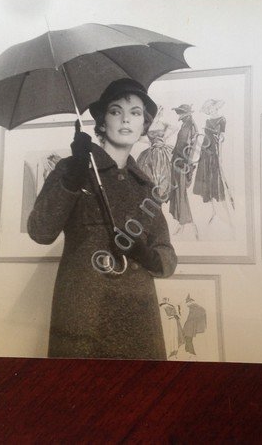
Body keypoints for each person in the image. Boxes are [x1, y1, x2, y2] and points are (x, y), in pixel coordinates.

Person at [28, 78, 177, 360]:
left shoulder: (145, 187)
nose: (126, 119)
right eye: (115, 110)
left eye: (135, 113)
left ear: (144, 125)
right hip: (83, 315)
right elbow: (40, 231)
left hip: (138, 317)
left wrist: (144, 254)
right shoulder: (72, 169)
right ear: (102, 121)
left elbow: (167, 256)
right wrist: (73, 178)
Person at [192, 99, 231, 223]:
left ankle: (225, 213)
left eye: (212, 108)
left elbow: (222, 137)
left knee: (216, 177)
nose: (211, 110)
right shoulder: (208, 121)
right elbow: (205, 136)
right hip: (205, 150)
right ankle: (213, 211)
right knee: (207, 177)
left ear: (215, 107)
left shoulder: (222, 119)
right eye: (208, 109)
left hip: (215, 149)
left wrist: (220, 155)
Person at [169, 104, 198, 237]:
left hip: (182, 163)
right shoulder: (185, 124)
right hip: (177, 160)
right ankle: (181, 220)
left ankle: (186, 222)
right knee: (177, 191)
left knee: (181, 192)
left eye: (180, 113)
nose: (178, 115)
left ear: (186, 114)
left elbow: (191, 147)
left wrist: (187, 164)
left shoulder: (190, 126)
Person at [137, 106, 176, 201]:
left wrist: (165, 138)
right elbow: (138, 137)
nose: (159, 114)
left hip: (164, 150)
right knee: (151, 172)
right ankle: (155, 193)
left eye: (160, 111)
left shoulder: (163, 123)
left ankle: (164, 192)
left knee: (166, 170)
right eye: (158, 112)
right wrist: (149, 142)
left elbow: (175, 128)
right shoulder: (147, 125)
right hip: (152, 152)